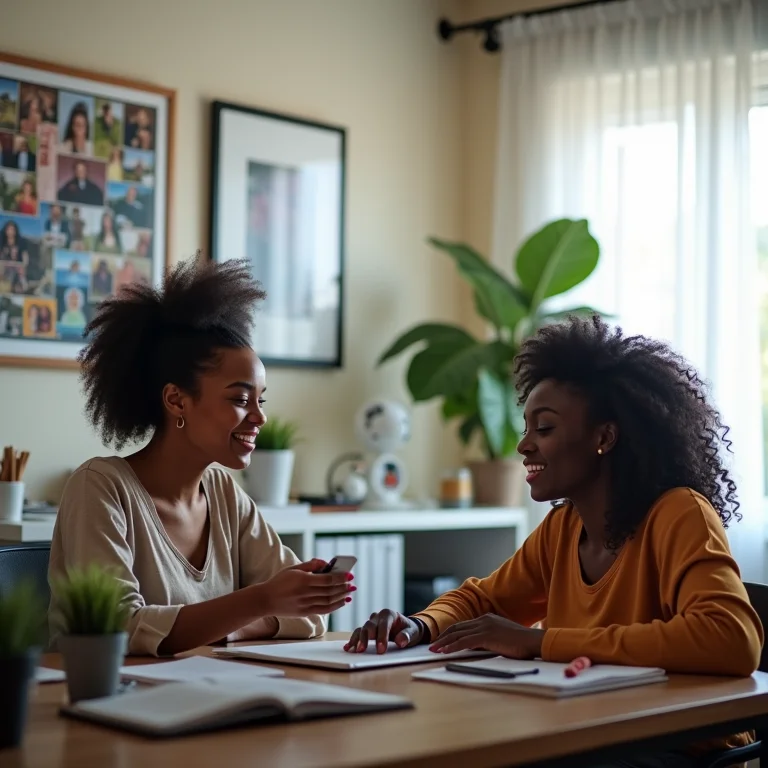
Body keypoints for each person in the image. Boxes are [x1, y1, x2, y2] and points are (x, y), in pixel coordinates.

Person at [345, 316, 763, 764]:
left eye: (544, 429)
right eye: (526, 428)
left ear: (604, 437)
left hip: (681, 750)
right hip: (595, 735)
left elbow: (731, 639)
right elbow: (484, 601)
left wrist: (540, 642)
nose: (524, 445)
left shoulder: (679, 513)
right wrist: (421, 625)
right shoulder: (562, 528)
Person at [48, 258, 353, 656]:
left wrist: (236, 626)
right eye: (240, 399)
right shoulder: (100, 488)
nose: (259, 417)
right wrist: (261, 602)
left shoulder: (224, 494)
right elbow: (119, 627)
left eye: (260, 401)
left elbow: (309, 615)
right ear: (177, 400)